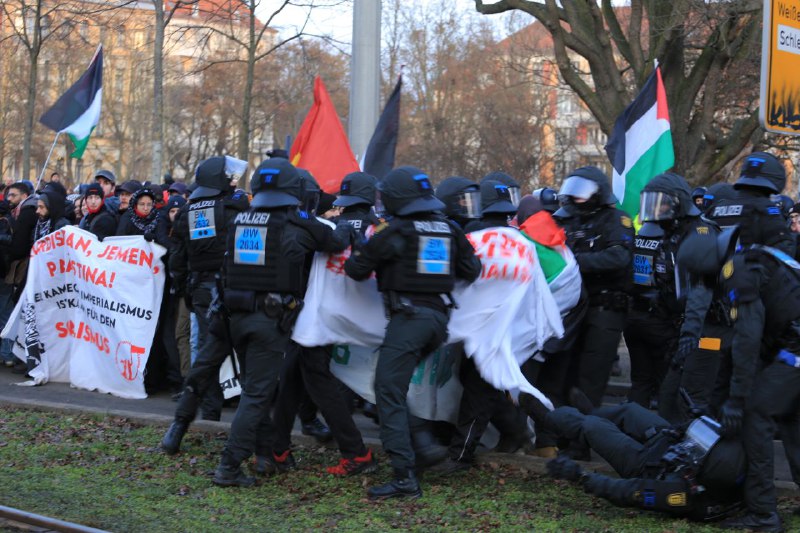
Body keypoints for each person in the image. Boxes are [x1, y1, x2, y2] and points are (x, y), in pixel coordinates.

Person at [212, 158, 351, 487]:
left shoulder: (240, 220)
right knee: (258, 395)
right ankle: (229, 466)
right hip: (269, 321)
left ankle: (264, 456)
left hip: (237, 318)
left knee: (254, 390)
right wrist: (344, 224)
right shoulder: (295, 222)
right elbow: (336, 242)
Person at [345, 165, 481, 499]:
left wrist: (361, 245)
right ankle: (419, 445)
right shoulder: (449, 229)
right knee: (393, 388)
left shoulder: (394, 231)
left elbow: (355, 271)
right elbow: (473, 270)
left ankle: (406, 472)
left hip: (408, 319)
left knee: (387, 390)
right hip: (437, 322)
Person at [677, 227, 800, 532]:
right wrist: (716, 401)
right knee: (792, 418)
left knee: (756, 415)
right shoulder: (747, 261)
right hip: (790, 347)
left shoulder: (738, 274)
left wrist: (737, 400)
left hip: (793, 349)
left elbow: (747, 340)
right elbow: (737, 350)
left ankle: (763, 515)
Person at [271, 170, 379, 477]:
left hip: (318, 319)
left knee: (316, 382)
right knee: (292, 375)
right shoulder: (379, 228)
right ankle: (277, 449)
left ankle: (356, 453)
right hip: (352, 318)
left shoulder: (327, 226)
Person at [161, 156, 250, 454]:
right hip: (233, 290)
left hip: (201, 292)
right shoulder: (233, 207)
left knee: (206, 359)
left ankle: (189, 423)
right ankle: (254, 431)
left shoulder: (187, 212)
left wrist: (187, 287)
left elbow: (178, 259)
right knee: (249, 356)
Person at [540, 399, 744, 522]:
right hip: (668, 444)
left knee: (593, 426)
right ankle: (587, 413)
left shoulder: (679, 495)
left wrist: (580, 476)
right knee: (630, 410)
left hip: (644, 466)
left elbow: (627, 492)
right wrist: (693, 422)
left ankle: (546, 416)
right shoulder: (734, 460)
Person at [626, 173, 714, 411]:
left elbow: (698, 287)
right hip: (646, 318)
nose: (656, 208)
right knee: (645, 383)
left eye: (662, 202)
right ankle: (639, 435)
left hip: (674, 323)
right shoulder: (656, 231)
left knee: (667, 387)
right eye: (652, 202)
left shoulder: (697, 233)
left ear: (679, 203)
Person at [554, 166, 634, 409]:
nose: (576, 198)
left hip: (605, 307)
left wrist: (574, 263)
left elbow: (619, 257)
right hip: (575, 307)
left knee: (592, 376)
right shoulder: (568, 219)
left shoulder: (616, 220)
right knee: (565, 372)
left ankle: (582, 441)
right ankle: (562, 434)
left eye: (582, 192)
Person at [706, 152, 794, 256]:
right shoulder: (765, 209)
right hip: (748, 270)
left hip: (715, 271)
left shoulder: (715, 209)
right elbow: (783, 252)